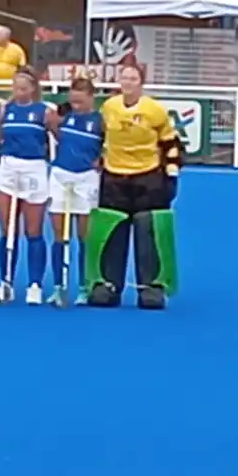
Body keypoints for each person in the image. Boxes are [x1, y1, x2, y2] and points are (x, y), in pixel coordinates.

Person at [85, 63, 180, 309]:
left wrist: (171, 176)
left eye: (132, 78)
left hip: (147, 177)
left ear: (141, 82)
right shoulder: (109, 107)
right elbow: (100, 136)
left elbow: (171, 144)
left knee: (146, 231)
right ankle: (108, 285)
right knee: (112, 231)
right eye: (124, 78)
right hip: (114, 177)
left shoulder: (154, 111)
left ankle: (150, 288)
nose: (127, 82)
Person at [0, 69, 50, 304]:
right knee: (8, 230)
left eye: (24, 88)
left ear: (33, 89)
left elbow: (56, 137)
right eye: (15, 88)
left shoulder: (44, 112)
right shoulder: (6, 110)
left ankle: (35, 284)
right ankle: (5, 281)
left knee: (33, 231)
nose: (19, 93)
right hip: (8, 168)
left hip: (34, 168)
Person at [48, 76, 103, 306]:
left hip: (86, 179)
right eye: (73, 101)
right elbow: (56, 134)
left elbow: (109, 145)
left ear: (91, 98)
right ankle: (58, 286)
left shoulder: (101, 121)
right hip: (60, 175)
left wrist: (102, 159)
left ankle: (84, 285)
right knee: (60, 235)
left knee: (84, 236)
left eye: (80, 102)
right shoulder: (64, 116)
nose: (76, 106)